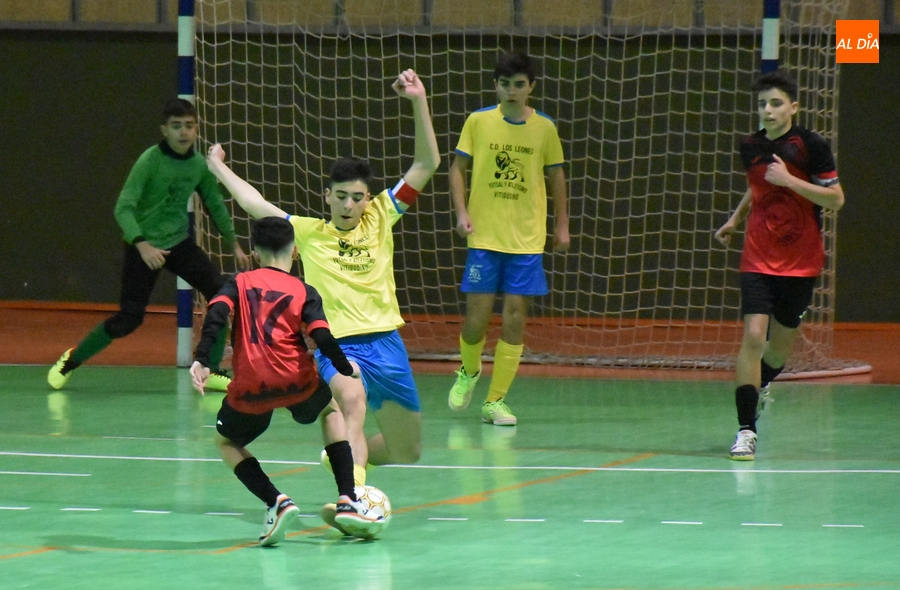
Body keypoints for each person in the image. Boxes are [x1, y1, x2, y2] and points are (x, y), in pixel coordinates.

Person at [205, 69, 440, 529]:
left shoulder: (382, 216)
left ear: (367, 198)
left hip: (387, 343)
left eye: (357, 198)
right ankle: (351, 502)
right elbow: (255, 205)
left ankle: (343, 461)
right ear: (327, 197)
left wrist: (419, 100)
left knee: (408, 449)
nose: (350, 205)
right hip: (339, 347)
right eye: (341, 197)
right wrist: (217, 167)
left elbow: (426, 164)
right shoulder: (308, 233)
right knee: (349, 404)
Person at [190, 216, 383, 544]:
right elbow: (321, 334)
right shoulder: (304, 290)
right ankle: (348, 499)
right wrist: (343, 366)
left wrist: (204, 359)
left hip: (252, 385)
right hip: (297, 380)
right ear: (295, 251)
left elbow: (217, 315)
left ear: (254, 251)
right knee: (331, 411)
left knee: (226, 442)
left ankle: (276, 502)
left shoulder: (238, 281)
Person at [47, 98, 249, 391]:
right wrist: (143, 245)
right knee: (129, 319)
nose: (183, 132)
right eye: (176, 126)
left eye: (189, 126)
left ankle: (212, 369)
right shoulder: (150, 160)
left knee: (220, 295)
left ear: (196, 130)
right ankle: (71, 359)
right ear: (164, 130)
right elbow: (123, 208)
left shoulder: (198, 166)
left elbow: (215, 204)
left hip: (179, 244)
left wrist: (234, 244)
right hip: (143, 247)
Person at [714, 71, 844, 461]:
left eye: (775, 103)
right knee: (754, 337)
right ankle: (745, 430)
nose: (767, 110)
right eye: (762, 104)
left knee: (777, 350)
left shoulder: (811, 146)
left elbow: (835, 199)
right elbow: (758, 187)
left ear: (793, 107)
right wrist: (736, 219)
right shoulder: (750, 146)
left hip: (801, 260)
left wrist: (789, 180)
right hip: (757, 255)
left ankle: (763, 384)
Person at [446, 51, 570, 426]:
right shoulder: (478, 122)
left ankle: (495, 401)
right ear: (495, 86)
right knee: (476, 321)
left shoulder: (544, 128)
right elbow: (457, 168)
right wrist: (462, 212)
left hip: (527, 242)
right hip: (484, 238)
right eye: (505, 84)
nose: (512, 91)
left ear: (531, 87)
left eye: (519, 84)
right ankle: (468, 372)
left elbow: (557, 178)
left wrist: (562, 225)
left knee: (515, 318)